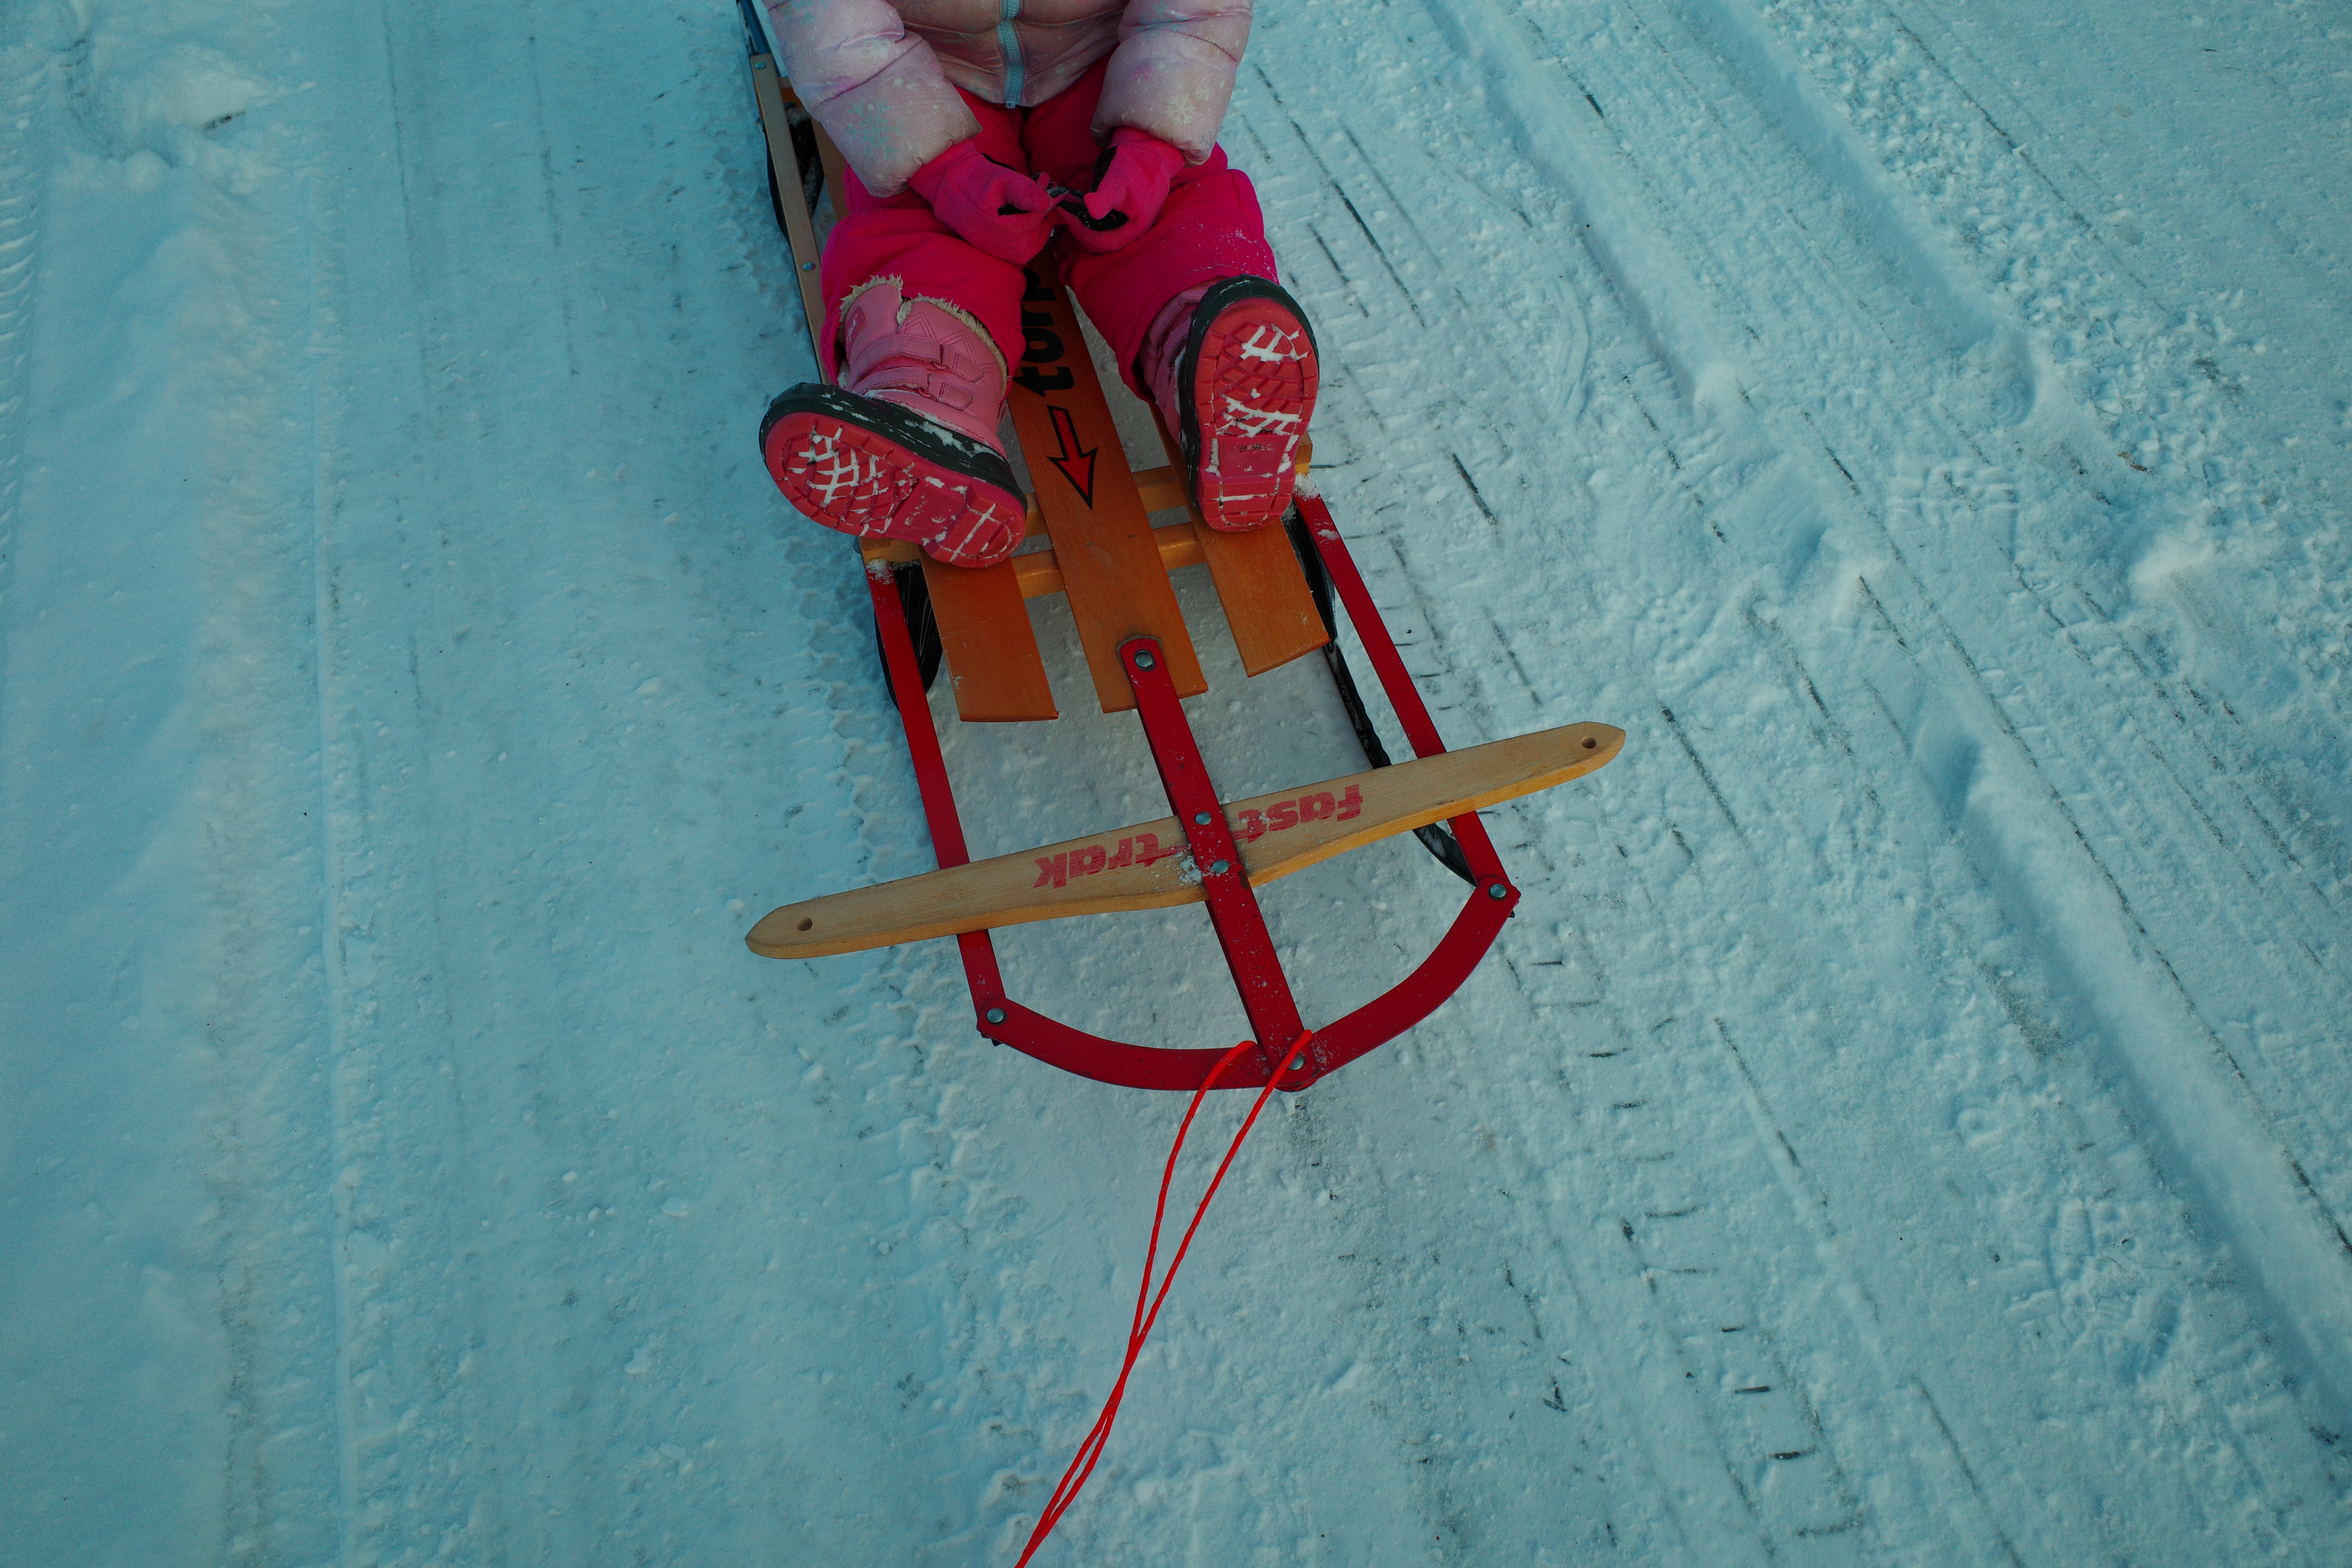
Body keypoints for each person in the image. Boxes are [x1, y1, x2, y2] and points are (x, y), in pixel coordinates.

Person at [757, 0, 1318, 568]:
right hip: (922, 72)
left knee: (1170, 202)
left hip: (1102, 63)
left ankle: (1207, 350)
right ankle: (927, 395)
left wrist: (1152, 143)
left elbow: (1197, 10)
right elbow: (828, 20)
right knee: (913, 217)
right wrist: (940, 168)